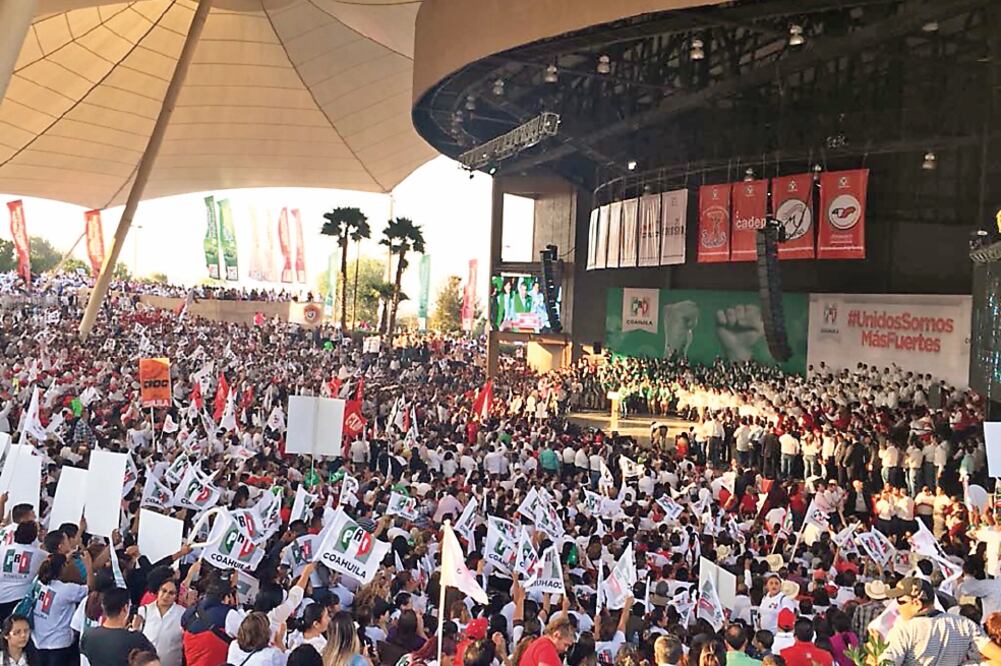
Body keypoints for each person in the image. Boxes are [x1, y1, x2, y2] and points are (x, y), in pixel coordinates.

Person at [882, 578, 1001, 666]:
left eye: (900, 601)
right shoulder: (965, 625)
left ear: (917, 604)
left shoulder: (904, 631)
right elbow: (998, 657)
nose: (898, 607)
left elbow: (887, 664)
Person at [31, 553, 90, 666]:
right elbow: (90, 588)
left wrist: (63, 559)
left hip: (38, 641)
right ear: (62, 568)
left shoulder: (39, 582)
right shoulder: (67, 590)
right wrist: (89, 565)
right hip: (59, 644)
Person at [79, 588, 155, 666]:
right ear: (125, 608)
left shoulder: (88, 635)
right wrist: (135, 630)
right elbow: (151, 659)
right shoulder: (137, 639)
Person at [134, 572, 183, 666]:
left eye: (171, 593)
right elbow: (135, 637)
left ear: (176, 595)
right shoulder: (144, 611)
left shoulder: (182, 614)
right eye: (163, 591)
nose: (166, 596)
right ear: (158, 591)